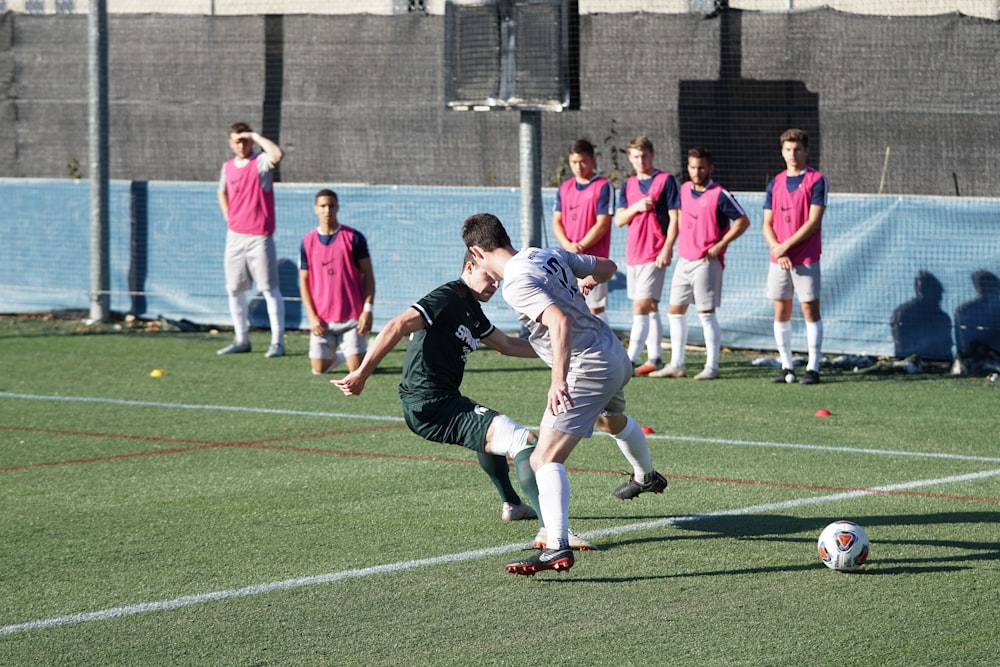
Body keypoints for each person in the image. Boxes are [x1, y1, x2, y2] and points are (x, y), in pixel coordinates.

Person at [333, 251, 594, 549]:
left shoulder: (471, 309)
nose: (495, 285)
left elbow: (506, 344)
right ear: (469, 266)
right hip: (430, 404)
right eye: (490, 276)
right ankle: (550, 529)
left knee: (492, 431)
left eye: (498, 280)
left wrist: (559, 348)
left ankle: (513, 505)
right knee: (524, 441)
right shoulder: (448, 296)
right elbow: (396, 325)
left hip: (441, 401)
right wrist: (362, 373)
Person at [463, 213, 668, 576]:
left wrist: (558, 380)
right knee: (610, 420)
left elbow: (560, 322)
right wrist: (588, 279)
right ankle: (645, 475)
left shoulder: (514, 282)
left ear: (477, 251)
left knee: (543, 459)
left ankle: (556, 547)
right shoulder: (547, 254)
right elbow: (608, 266)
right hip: (612, 353)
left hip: (585, 366)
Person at [650, 147, 750, 380]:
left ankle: (712, 366)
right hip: (684, 259)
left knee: (706, 313)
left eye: (701, 167)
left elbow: (743, 221)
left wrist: (720, 245)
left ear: (710, 168)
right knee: (675, 310)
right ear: (688, 167)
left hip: (707, 261)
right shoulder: (684, 189)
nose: (697, 171)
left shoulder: (719, 194)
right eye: (693, 167)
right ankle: (677, 364)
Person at [761, 128, 829, 384]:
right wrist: (777, 249)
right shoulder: (775, 182)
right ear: (782, 152)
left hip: (806, 258)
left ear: (806, 151)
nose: (793, 154)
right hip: (778, 259)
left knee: (810, 310)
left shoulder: (817, 180)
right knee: (781, 311)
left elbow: (813, 221)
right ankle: (786, 366)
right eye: (788, 149)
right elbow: (766, 224)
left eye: (797, 149)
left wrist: (785, 246)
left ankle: (813, 367)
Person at [216, 122, 286, 358]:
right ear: (230, 143)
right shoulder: (227, 167)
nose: (241, 145)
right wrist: (228, 217)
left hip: (259, 237)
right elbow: (222, 191)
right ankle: (241, 339)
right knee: (234, 289)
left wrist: (256, 135)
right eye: (237, 140)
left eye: (244, 140)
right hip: (235, 237)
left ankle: (277, 342)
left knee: (269, 288)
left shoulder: (261, 163)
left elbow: (277, 154)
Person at [614, 136, 681, 375]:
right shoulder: (629, 184)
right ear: (630, 158)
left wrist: (667, 247)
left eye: (644, 155)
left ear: (652, 155)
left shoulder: (666, 181)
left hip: (655, 252)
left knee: (641, 307)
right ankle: (655, 358)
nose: (640, 160)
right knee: (650, 306)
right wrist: (636, 207)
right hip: (634, 253)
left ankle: (629, 360)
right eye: (635, 156)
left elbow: (676, 218)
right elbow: (620, 219)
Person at [299, 189, 375, 375]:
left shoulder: (354, 238)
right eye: (323, 206)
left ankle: (363, 351)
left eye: (331, 206)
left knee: (356, 370)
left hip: (351, 319)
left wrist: (367, 311)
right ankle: (344, 354)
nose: (327, 210)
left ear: (337, 208)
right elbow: (304, 281)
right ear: (315, 209)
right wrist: (312, 317)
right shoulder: (307, 242)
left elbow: (369, 275)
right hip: (322, 320)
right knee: (318, 369)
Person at [551, 138, 615, 324]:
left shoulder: (603, 186)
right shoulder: (565, 187)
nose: (578, 166)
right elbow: (557, 221)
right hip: (567, 257)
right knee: (567, 305)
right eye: (574, 162)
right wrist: (567, 245)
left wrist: (580, 246)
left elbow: (602, 224)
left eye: (583, 161)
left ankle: (606, 350)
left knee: (594, 307)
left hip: (593, 260)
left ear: (593, 160)